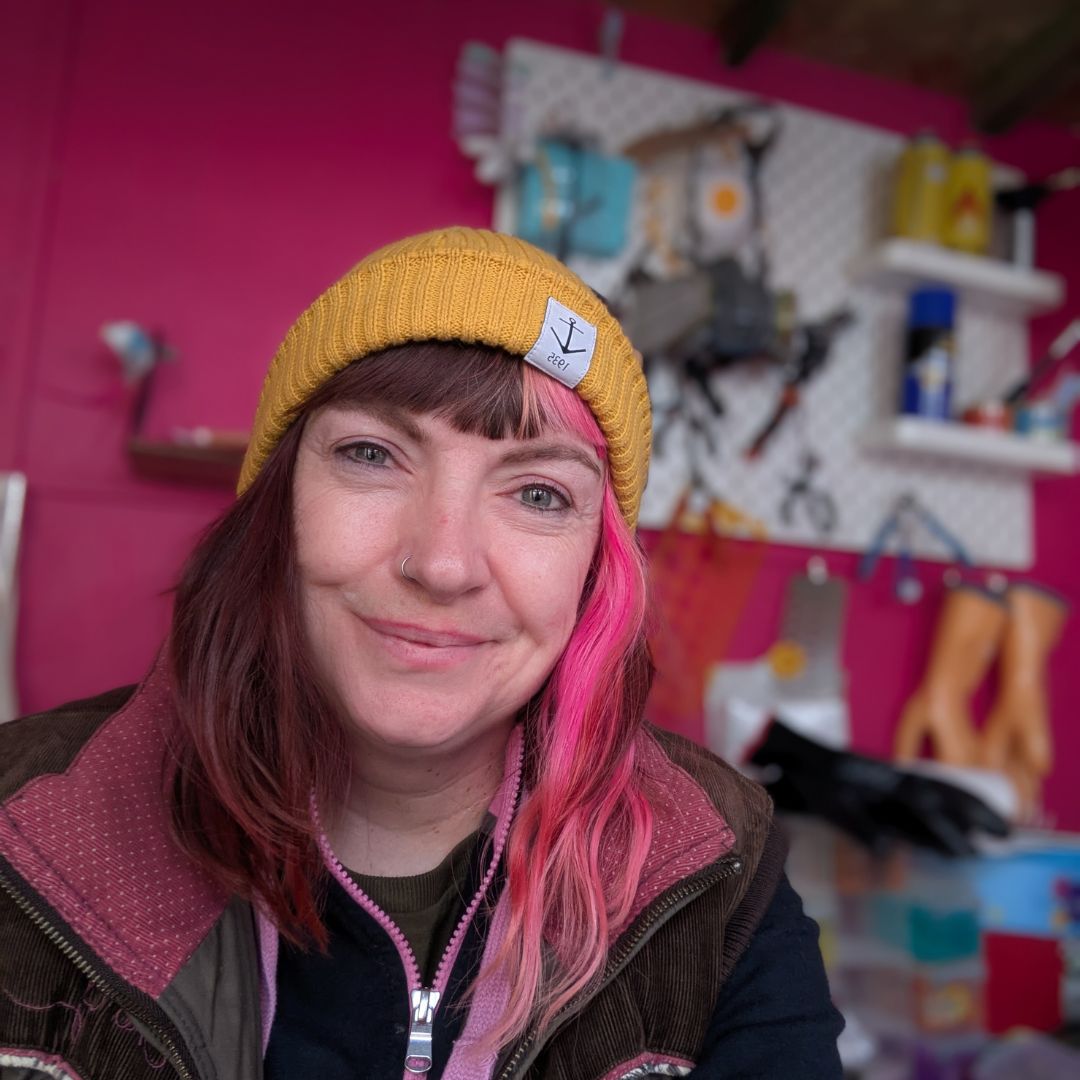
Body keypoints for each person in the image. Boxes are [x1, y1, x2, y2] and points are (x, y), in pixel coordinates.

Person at [0, 227, 843, 1079]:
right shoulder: (21, 828)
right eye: (372, 455)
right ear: (277, 503)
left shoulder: (715, 871)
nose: (441, 564)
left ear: (596, 568)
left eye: (539, 493)